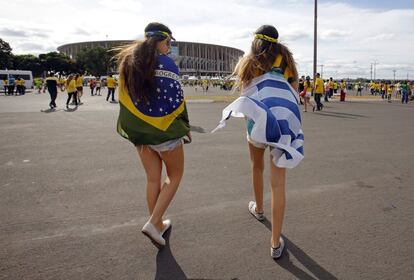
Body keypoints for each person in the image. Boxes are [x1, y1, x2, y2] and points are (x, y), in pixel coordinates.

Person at [215, 25, 303, 259]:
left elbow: (245, 94)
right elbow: (294, 89)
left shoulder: (249, 60)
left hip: (257, 124)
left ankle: (260, 209)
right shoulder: (286, 59)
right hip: (282, 124)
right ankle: (275, 242)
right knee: (279, 185)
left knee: (256, 166)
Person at [116, 22, 191, 248]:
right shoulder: (168, 64)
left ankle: (157, 226)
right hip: (165, 131)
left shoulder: (129, 62)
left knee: (152, 179)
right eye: (169, 42)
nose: (169, 47)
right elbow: (177, 101)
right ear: (161, 41)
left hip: (139, 131)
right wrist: (184, 127)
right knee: (175, 176)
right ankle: (153, 222)